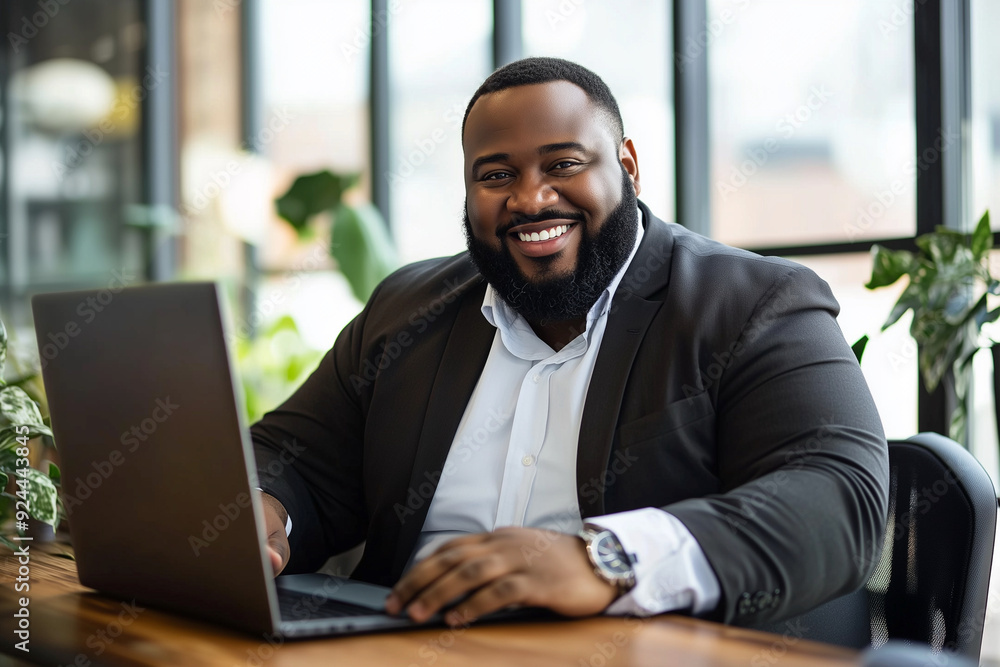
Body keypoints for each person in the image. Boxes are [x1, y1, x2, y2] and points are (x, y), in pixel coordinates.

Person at [251, 56, 888, 629]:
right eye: (496, 174)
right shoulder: (408, 309)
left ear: (628, 165)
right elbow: (293, 455)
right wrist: (267, 509)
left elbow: (837, 497)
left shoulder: (754, 303)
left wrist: (607, 559)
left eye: (563, 164)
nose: (530, 198)